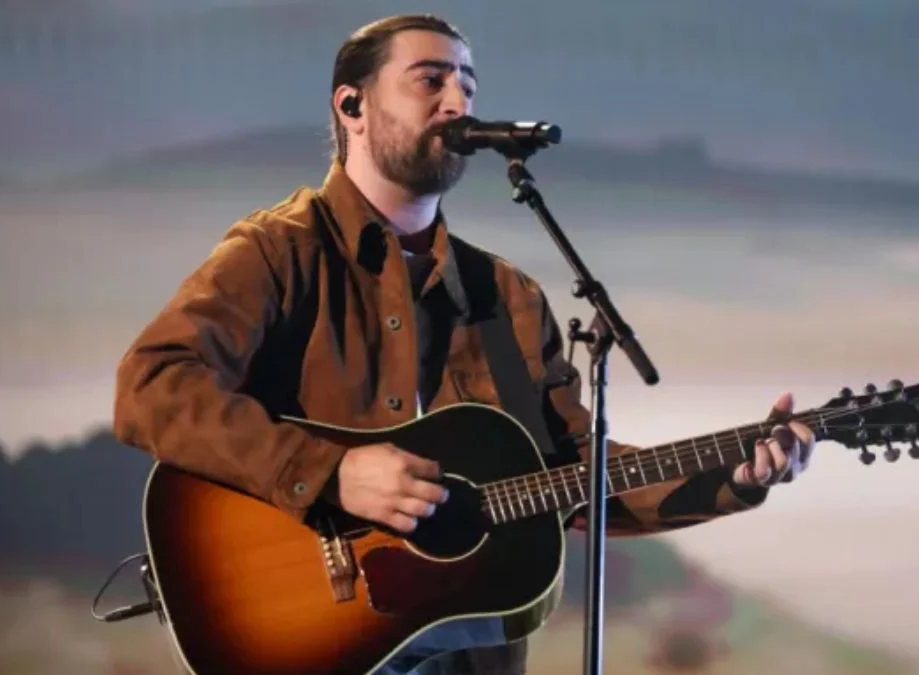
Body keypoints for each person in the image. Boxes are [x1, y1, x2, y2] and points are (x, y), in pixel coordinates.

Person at [111, 13, 815, 675]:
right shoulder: (278, 251)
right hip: (310, 636)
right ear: (352, 106)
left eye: (468, 86)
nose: (458, 102)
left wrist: (733, 475)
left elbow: (572, 475)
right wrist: (330, 473)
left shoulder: (507, 296)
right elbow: (150, 385)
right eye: (431, 80)